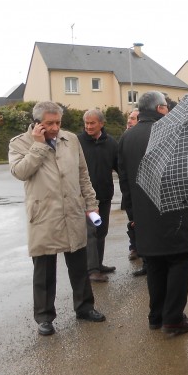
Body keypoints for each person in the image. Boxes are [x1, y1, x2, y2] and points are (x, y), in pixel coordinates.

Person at [9, 101, 106, 336]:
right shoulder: (20, 142)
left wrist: (91, 205)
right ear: (37, 122)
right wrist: (39, 146)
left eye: (57, 123)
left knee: (78, 264)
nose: (54, 128)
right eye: (49, 123)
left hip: (72, 209)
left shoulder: (71, 140)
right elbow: (20, 172)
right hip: (44, 213)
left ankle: (84, 307)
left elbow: (83, 175)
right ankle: (44, 317)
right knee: (44, 268)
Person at [118, 91, 188, 335]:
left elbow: (125, 182)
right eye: (166, 107)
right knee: (179, 262)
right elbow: (183, 173)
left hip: (143, 214)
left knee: (154, 265)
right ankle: (172, 319)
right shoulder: (172, 132)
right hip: (173, 211)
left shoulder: (127, 138)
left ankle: (156, 315)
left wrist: (133, 217)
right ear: (161, 109)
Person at [78, 109, 118, 282]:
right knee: (91, 232)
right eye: (86, 123)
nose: (88, 126)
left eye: (92, 123)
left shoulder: (111, 143)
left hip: (105, 195)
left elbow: (119, 166)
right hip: (88, 199)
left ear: (101, 123)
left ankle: (98, 264)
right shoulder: (77, 142)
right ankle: (92, 269)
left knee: (101, 230)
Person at [124, 109, 140, 263]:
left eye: (133, 118)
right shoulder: (124, 139)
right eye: (129, 118)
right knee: (132, 221)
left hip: (140, 188)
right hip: (129, 190)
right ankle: (134, 247)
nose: (130, 121)